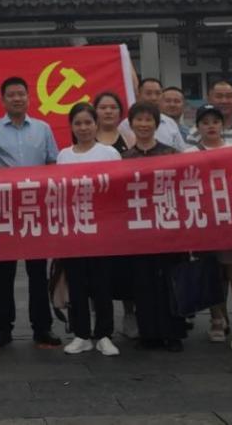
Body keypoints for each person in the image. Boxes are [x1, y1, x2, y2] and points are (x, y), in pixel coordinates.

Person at [0, 76, 63, 348]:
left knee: (37, 271)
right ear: (3, 100)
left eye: (21, 94)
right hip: (4, 209)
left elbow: (53, 163)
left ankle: (42, 327)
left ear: (29, 98)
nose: (17, 99)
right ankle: (2, 328)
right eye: (11, 95)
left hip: (35, 208)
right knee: (3, 272)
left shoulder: (43, 128)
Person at [186, 104, 232, 350]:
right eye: (205, 122)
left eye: (215, 122)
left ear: (222, 125)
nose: (211, 126)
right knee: (211, 273)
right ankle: (217, 318)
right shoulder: (188, 154)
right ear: (198, 127)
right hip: (204, 224)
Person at [58, 103, 121, 357]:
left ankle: (104, 334)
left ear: (96, 124)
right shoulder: (64, 155)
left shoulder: (108, 153)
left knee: (102, 283)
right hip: (73, 228)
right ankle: (81, 334)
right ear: (71, 127)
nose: (83, 128)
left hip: (102, 228)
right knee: (77, 283)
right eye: (78, 123)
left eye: (88, 122)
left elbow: (117, 190)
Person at [122, 102, 186, 352]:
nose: (144, 124)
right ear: (131, 124)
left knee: (170, 280)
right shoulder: (124, 158)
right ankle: (148, 333)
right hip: (138, 229)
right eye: (139, 120)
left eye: (149, 120)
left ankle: (173, 333)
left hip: (168, 226)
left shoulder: (171, 154)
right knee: (143, 281)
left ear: (156, 124)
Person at [95, 91, 138, 340]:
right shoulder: (87, 137)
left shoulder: (130, 138)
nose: (108, 111)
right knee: (98, 268)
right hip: (96, 214)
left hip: (124, 212)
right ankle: (99, 319)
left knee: (126, 268)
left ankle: (129, 313)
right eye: (103, 107)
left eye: (113, 107)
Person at [185, 80, 232, 147]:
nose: (224, 101)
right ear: (209, 99)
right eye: (219, 96)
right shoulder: (195, 133)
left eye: (229, 96)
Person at [119, 78, 186, 151]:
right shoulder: (125, 124)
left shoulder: (170, 123)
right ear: (138, 94)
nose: (153, 98)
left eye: (158, 93)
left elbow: (181, 152)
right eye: (148, 93)